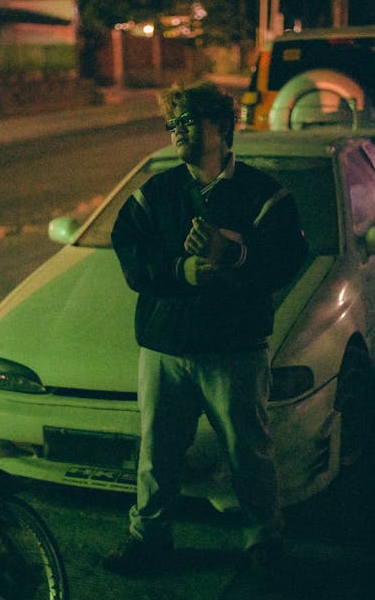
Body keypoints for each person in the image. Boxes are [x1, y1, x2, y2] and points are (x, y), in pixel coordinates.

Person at [106, 80, 308, 578]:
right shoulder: (155, 193)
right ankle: (149, 538)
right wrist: (182, 270)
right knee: (156, 454)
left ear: (222, 126)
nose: (177, 131)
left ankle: (263, 543)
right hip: (165, 348)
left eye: (189, 120)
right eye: (173, 122)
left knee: (248, 452)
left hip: (234, 350)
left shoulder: (264, 193)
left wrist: (234, 253)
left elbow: (288, 259)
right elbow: (131, 256)